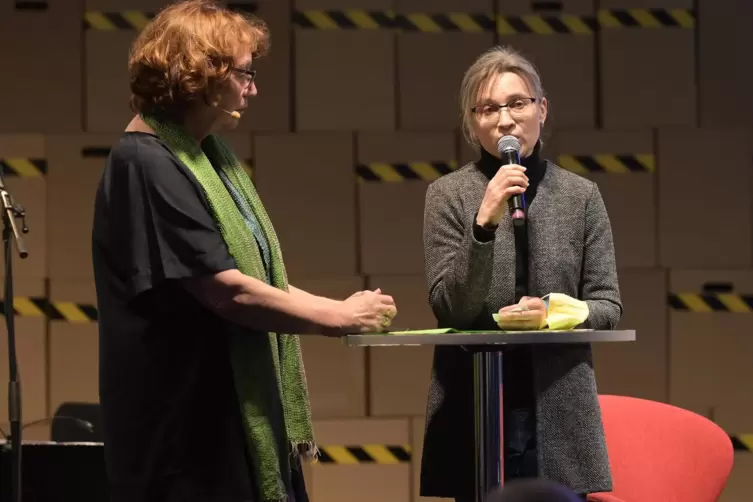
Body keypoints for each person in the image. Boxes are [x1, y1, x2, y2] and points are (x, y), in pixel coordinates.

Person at [90, 1, 397, 501]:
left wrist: (337, 308)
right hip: (184, 442)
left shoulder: (206, 157)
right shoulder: (145, 163)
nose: (252, 87)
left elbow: (255, 275)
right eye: (245, 72)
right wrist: (335, 316)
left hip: (219, 422)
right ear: (201, 74)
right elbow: (226, 290)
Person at [418, 45, 622, 502]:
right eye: (488, 108)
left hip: (558, 401)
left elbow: (607, 305)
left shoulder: (580, 196)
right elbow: (449, 306)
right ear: (473, 123)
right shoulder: (447, 196)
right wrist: (483, 222)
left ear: (541, 109)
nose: (505, 120)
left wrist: (551, 312)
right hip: (475, 399)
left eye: (517, 103)